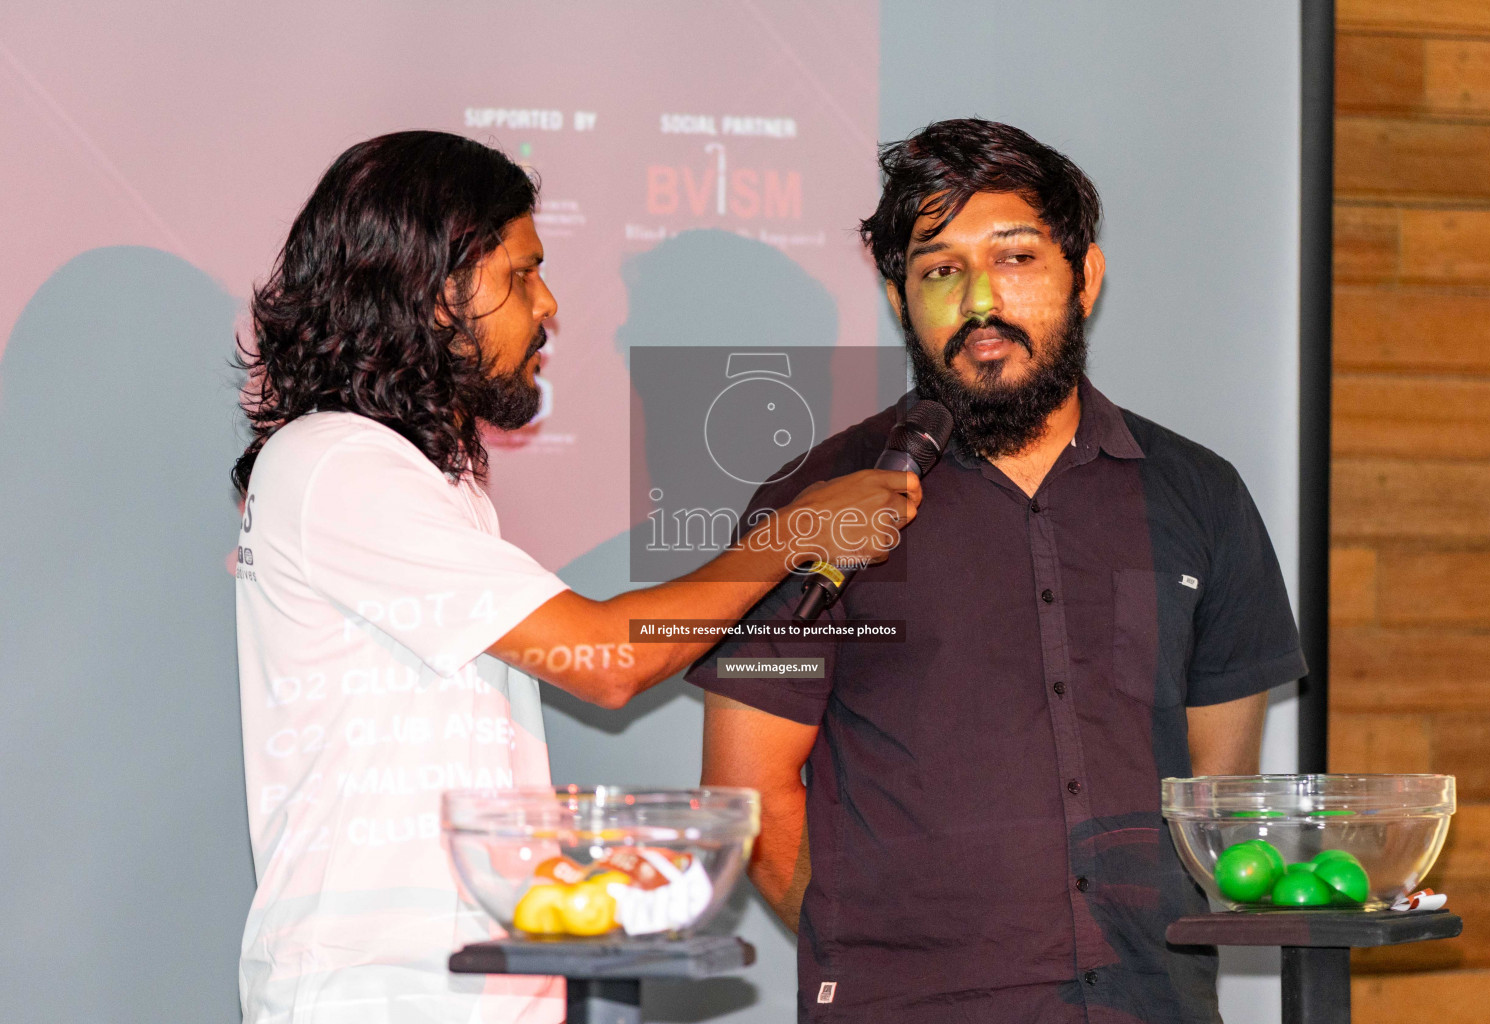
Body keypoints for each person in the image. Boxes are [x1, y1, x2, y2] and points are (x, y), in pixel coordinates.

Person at [231, 131, 920, 1024]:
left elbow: (437, 761)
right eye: (521, 274)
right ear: (429, 291)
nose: (549, 304)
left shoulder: (423, 482)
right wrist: (803, 529)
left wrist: (574, 874)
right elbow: (609, 659)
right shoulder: (334, 464)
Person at [688, 118, 1306, 1024]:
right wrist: (883, 957)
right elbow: (748, 793)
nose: (981, 300)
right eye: (940, 270)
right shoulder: (815, 504)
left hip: (1153, 1004)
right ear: (901, 299)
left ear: (1085, 277)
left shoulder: (1202, 495)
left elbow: (1214, 799)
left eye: (1015, 258)